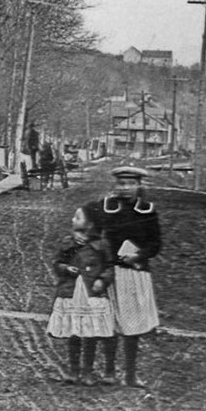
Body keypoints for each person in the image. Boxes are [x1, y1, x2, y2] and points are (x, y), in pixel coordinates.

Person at [85, 166, 161, 388]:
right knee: (109, 322)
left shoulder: (147, 210)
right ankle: (109, 372)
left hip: (136, 272)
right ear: (115, 185)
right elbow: (91, 237)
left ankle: (130, 374)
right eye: (121, 184)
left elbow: (156, 244)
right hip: (110, 272)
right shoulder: (105, 208)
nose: (125, 189)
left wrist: (138, 255)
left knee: (133, 325)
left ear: (139, 185)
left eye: (130, 184)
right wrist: (102, 256)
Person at [46, 206, 114, 385]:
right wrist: (66, 268)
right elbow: (57, 263)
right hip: (72, 293)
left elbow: (109, 267)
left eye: (78, 217)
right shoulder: (68, 243)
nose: (73, 220)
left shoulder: (101, 245)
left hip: (92, 294)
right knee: (74, 332)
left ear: (90, 224)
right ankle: (73, 370)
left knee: (90, 334)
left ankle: (88, 372)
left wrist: (102, 280)